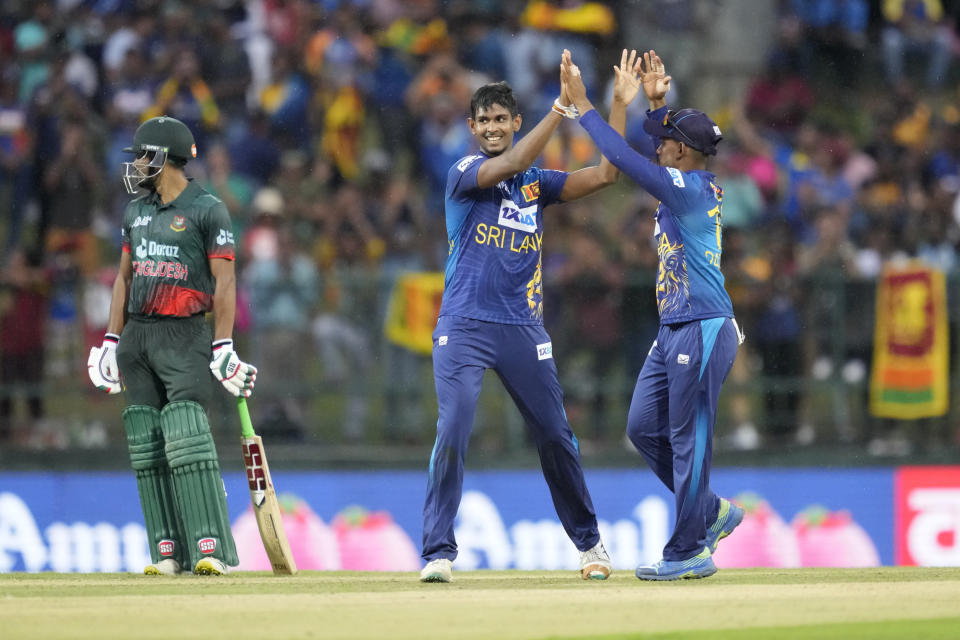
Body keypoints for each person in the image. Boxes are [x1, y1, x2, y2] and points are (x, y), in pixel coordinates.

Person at [419, 49, 644, 584]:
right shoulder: (465, 171)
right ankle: (437, 553)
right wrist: (561, 109)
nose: (494, 127)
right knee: (453, 427)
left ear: (514, 122)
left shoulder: (538, 184)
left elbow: (608, 173)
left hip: (523, 328)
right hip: (465, 325)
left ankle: (590, 546)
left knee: (555, 436)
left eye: (502, 119)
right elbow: (514, 162)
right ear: (474, 128)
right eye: (486, 121)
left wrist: (614, 105)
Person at [562, 49, 744, 580]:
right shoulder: (682, 182)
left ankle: (688, 549)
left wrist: (583, 106)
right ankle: (709, 511)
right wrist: (658, 101)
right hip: (674, 328)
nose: (657, 145)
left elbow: (620, 157)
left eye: (665, 140)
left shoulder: (685, 189)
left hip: (702, 325)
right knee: (643, 429)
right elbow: (650, 147)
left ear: (683, 152)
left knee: (689, 438)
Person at [86, 116, 257, 577]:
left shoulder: (207, 209)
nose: (137, 164)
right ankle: (167, 551)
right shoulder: (135, 211)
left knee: (186, 435)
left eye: (143, 155)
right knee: (146, 441)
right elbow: (123, 280)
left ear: (164, 157)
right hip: (137, 336)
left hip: (184, 334)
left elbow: (225, 282)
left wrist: (223, 344)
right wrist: (110, 339)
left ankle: (211, 547)